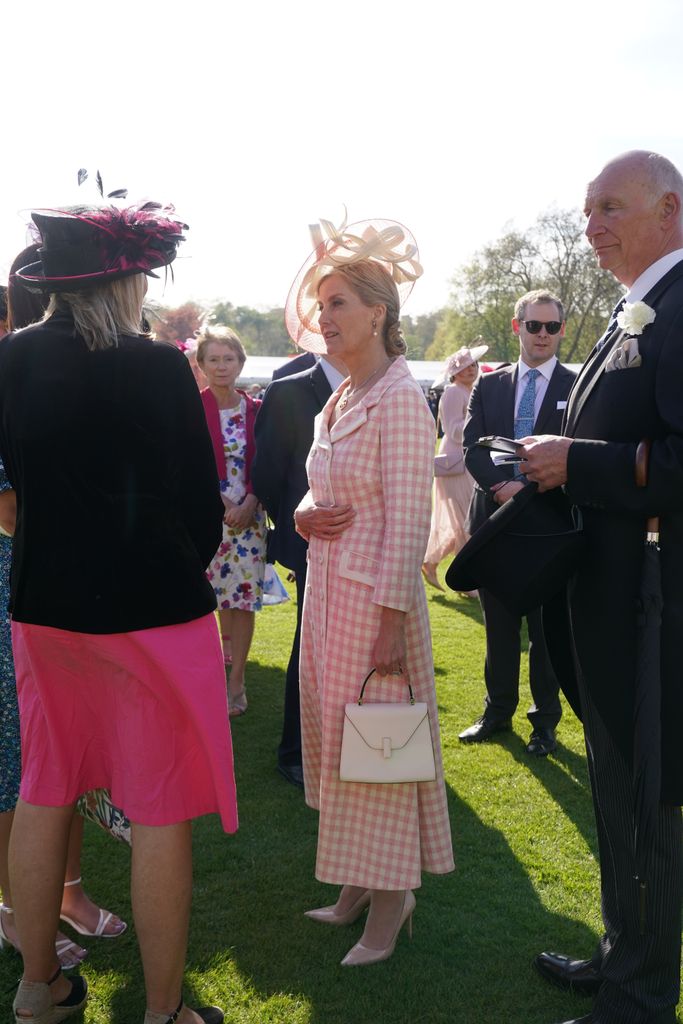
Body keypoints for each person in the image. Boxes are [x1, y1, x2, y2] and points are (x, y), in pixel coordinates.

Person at [0, 201, 236, 1024]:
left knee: (45, 788)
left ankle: (38, 987)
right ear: (129, 277)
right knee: (161, 806)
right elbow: (201, 508)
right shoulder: (160, 366)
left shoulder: (13, 360)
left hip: (44, 608)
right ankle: (164, 1012)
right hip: (154, 615)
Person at [522, 150, 683, 1024]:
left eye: (610, 207)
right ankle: (622, 955)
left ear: (669, 209)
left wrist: (574, 462)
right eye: (586, 211)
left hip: (655, 606)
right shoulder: (636, 308)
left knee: (651, 798)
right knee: (616, 787)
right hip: (611, 601)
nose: (592, 225)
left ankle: (642, 997)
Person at [288, 216, 454, 967]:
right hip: (328, 599)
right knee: (337, 744)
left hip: (373, 607)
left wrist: (392, 619)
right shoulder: (340, 396)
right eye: (321, 306)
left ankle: (391, 907)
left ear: (378, 313)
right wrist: (298, 512)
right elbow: (317, 484)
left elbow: (408, 514)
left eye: (337, 305)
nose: (323, 318)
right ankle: (356, 883)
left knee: (377, 753)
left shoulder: (396, 397)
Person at [0, 244, 125, 972]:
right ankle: (20, 911)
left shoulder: (45, 372)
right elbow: (14, 508)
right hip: (22, 584)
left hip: (54, 584)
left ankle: (67, 892)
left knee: (60, 752)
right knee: (21, 760)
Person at [460, 290, 576, 756]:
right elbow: (472, 448)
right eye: (535, 326)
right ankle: (497, 712)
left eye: (552, 327)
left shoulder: (577, 383)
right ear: (518, 327)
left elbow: (580, 451)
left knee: (547, 632)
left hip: (549, 524)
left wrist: (530, 492)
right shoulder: (487, 385)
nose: (543, 335)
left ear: (561, 330)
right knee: (498, 626)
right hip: (494, 521)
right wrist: (500, 488)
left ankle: (545, 722)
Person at [251, 351, 346, 788]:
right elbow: (267, 474)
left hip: (364, 545)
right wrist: (297, 523)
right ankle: (295, 751)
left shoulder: (379, 386)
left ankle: (350, 745)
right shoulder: (287, 390)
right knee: (309, 644)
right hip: (310, 541)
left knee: (352, 648)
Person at [196, 324, 267, 717]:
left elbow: (267, 462)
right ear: (201, 364)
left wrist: (250, 501)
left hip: (249, 521)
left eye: (228, 358)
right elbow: (188, 465)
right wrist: (222, 502)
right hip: (206, 519)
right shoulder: (191, 408)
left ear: (240, 362)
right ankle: (207, 677)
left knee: (241, 602)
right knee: (204, 601)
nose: (221, 366)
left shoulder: (256, 410)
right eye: (213, 359)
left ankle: (236, 682)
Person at [422, 342, 488, 592]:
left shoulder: (472, 390)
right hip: (455, 462)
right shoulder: (453, 392)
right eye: (464, 366)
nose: (470, 369)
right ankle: (466, 580)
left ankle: (431, 561)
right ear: (454, 372)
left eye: (473, 365)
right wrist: (479, 423)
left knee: (462, 520)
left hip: (467, 460)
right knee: (464, 520)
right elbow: (452, 430)